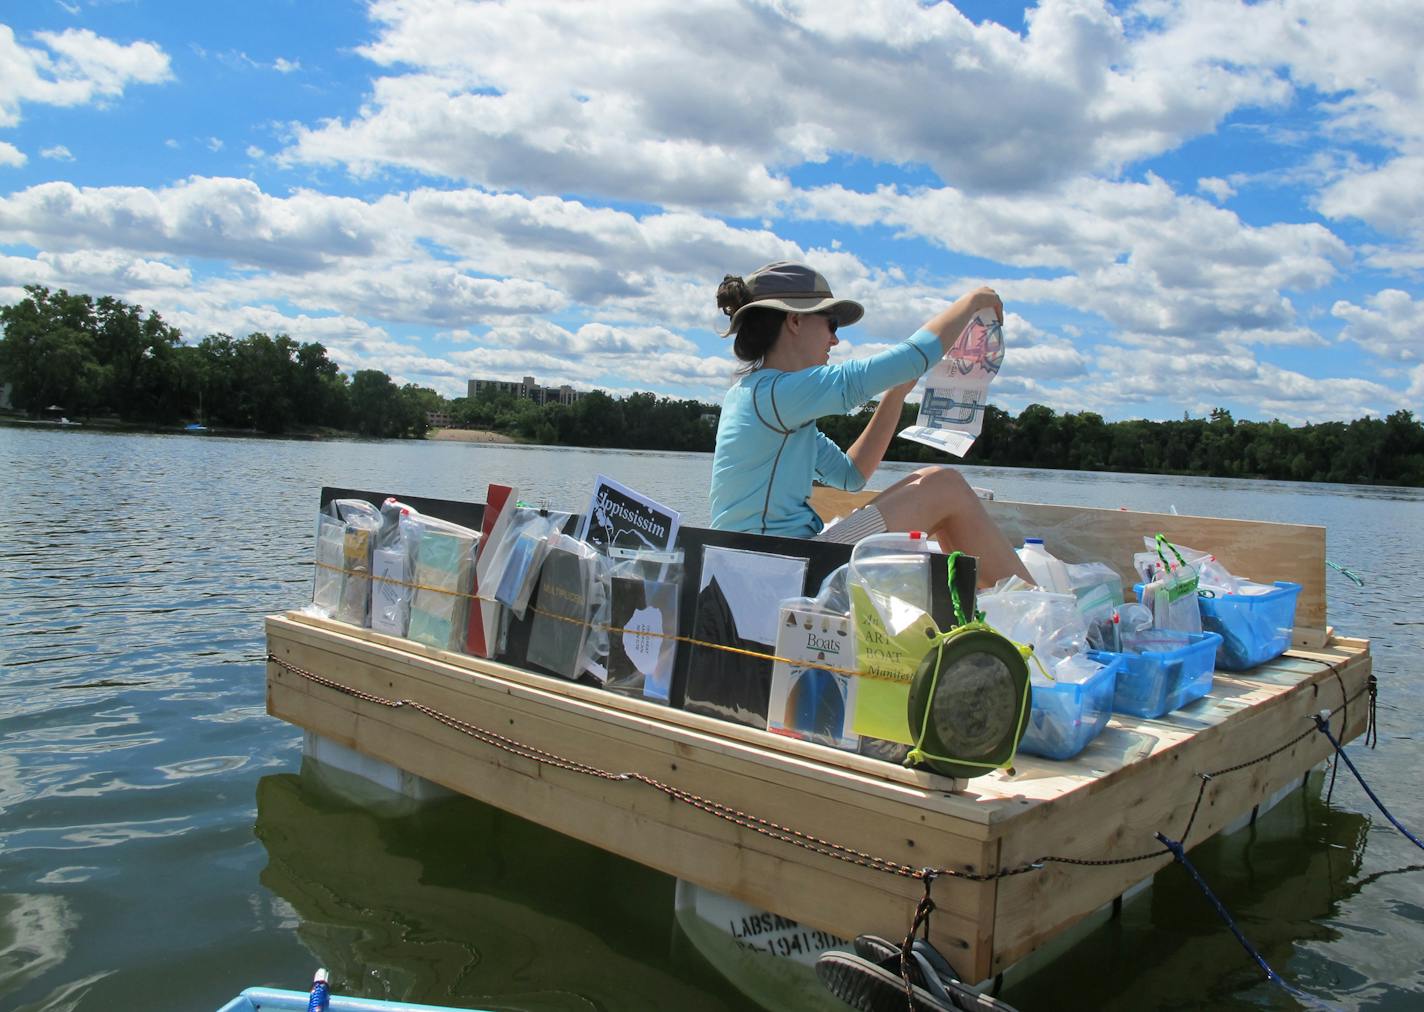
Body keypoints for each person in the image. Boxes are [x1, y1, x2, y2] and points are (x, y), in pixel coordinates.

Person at [708, 260, 1030, 587]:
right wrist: (973, 301)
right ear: (794, 320)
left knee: (928, 479)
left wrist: (895, 395)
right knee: (944, 487)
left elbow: (852, 474)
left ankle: (1016, 607)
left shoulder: (762, 398)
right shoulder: (777, 395)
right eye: (831, 324)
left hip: (767, 566)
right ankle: (1038, 611)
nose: (834, 340)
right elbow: (911, 357)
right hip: (779, 570)